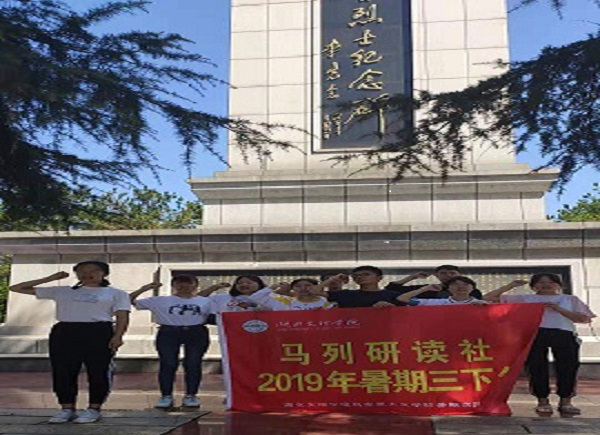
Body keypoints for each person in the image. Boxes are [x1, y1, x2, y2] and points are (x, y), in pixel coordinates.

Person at [9, 261, 130, 424]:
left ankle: (94, 408)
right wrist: (51, 278)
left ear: (104, 273)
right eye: (81, 271)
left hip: (98, 332)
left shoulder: (116, 293)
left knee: (98, 371)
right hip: (65, 331)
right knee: (63, 370)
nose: (87, 274)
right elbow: (16, 288)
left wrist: (118, 336)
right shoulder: (63, 291)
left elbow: (122, 316)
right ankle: (67, 408)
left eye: (93, 270)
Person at [483, 274, 595, 416]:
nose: (546, 285)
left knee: (568, 367)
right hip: (534, 334)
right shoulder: (525, 298)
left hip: (563, 334)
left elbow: (584, 319)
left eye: (551, 282)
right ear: (533, 286)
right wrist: (510, 286)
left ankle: (566, 401)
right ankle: (542, 400)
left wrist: (560, 309)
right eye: (541, 282)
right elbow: (487, 298)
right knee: (536, 367)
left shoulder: (569, 299)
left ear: (559, 285)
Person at [129, 275, 212, 409]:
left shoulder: (205, 301)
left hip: (196, 332)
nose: (184, 286)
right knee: (168, 363)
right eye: (179, 283)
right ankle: (166, 396)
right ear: (173, 285)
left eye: (188, 283)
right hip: (169, 333)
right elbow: (129, 300)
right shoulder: (160, 300)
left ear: (195, 285)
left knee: (193, 363)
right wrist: (144, 289)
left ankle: (191, 395)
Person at [314, 266, 404, 308]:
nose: (360, 277)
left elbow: (403, 313)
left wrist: (390, 307)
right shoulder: (345, 294)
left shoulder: (393, 295)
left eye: (366, 274)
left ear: (379, 278)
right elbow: (315, 291)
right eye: (356, 276)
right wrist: (334, 278)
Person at [386, 265, 483, 299]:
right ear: (436, 275)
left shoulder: (471, 291)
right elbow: (392, 289)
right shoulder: (428, 289)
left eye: (452, 273)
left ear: (460, 275)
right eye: (443, 273)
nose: (448, 275)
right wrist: (412, 277)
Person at [251, 278, 337, 310]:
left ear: (316, 287)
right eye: (298, 286)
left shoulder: (327, 302)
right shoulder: (283, 301)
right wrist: (273, 287)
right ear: (292, 289)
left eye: (307, 285)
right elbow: (255, 297)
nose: (303, 288)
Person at [396, 276, 489, 306]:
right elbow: (402, 299)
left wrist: (484, 307)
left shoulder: (481, 304)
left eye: (465, 284)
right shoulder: (435, 303)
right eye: (455, 284)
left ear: (473, 288)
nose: (460, 287)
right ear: (448, 288)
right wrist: (424, 289)